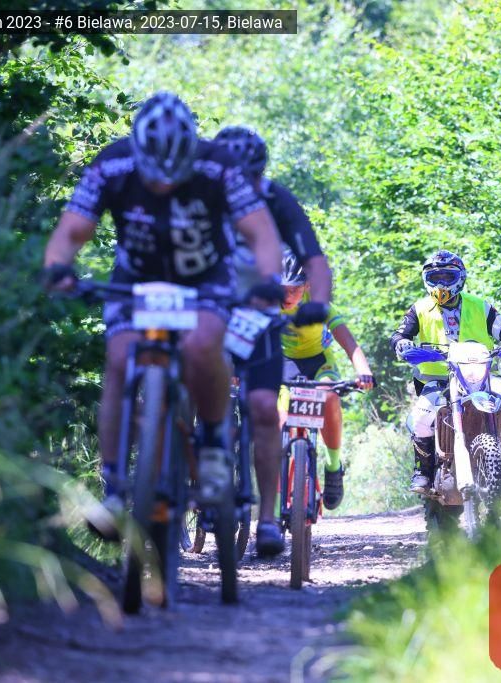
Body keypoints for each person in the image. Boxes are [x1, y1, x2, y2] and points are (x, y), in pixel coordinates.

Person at [42, 92, 284, 545]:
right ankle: (114, 488)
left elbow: (261, 233)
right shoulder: (112, 164)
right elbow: (71, 230)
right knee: (119, 359)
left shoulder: (218, 166)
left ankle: (213, 444)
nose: (164, 187)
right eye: (155, 177)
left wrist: (269, 279)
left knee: (202, 345)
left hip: (205, 277)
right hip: (137, 278)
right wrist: (57, 268)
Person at [212, 125, 334, 553]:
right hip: (211, 308)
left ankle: (266, 518)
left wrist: (320, 303)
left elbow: (313, 258)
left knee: (265, 409)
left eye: (250, 176)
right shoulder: (195, 197)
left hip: (256, 314)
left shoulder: (277, 199)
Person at [389, 250, 501, 493]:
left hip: (480, 376)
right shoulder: (419, 309)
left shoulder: (479, 306)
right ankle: (423, 471)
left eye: (448, 277)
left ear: (460, 277)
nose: (441, 283)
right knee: (421, 417)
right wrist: (403, 344)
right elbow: (399, 334)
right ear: (426, 279)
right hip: (438, 379)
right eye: (435, 277)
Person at [279, 251, 374, 508]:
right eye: (282, 289)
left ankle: (333, 467)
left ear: (307, 285)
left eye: (294, 289)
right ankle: (275, 501)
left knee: (329, 397)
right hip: (283, 365)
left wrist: (363, 370)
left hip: (319, 363)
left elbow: (349, 343)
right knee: (277, 424)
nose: (287, 296)